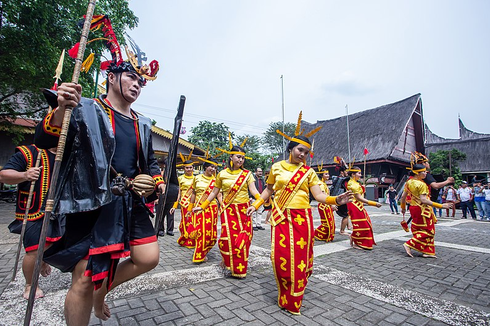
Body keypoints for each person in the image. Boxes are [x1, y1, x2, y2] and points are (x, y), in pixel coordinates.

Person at [34, 42, 163, 324]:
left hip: (129, 200)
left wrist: (157, 180)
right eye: (131, 76)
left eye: (142, 81)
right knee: (83, 278)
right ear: (112, 76)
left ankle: (100, 292)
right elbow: (43, 140)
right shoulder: (86, 108)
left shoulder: (143, 122)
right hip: (91, 201)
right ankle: (92, 294)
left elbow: (150, 161)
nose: (137, 85)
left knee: (148, 257)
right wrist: (61, 109)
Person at [247, 118, 352, 315]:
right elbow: (268, 190)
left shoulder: (309, 172)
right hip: (280, 217)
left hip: (302, 218)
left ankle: (294, 297)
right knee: (281, 258)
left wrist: (337, 200)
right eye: (299, 150)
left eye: (306, 152)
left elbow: (319, 195)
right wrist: (256, 204)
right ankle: (285, 291)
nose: (302, 155)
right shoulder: (277, 168)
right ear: (290, 148)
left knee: (300, 259)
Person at [0, 145, 62, 299]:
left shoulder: (69, 151)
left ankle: (43, 260)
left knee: (56, 243)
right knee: (34, 250)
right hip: (35, 210)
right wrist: (25, 175)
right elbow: (4, 175)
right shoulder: (29, 152)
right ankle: (30, 285)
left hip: (61, 209)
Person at [194, 142, 259, 278]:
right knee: (226, 240)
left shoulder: (247, 174)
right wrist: (203, 206)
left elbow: (254, 191)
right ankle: (227, 260)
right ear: (231, 157)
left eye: (242, 158)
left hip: (243, 210)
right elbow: (214, 193)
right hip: (228, 210)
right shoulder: (222, 174)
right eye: (238, 157)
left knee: (242, 239)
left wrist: (260, 202)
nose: (240, 160)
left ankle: (239, 268)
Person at [400, 163, 452, 258]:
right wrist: (441, 206)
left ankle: (428, 251)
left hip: (413, 208)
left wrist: (403, 207)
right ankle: (409, 244)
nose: (425, 173)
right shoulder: (421, 184)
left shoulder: (409, 182)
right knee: (429, 230)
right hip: (422, 209)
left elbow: (403, 198)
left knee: (418, 229)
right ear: (417, 173)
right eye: (423, 172)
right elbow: (424, 200)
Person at [188, 158, 220, 263]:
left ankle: (205, 250)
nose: (213, 169)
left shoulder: (216, 180)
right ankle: (199, 254)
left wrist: (223, 207)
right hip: (199, 209)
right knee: (201, 232)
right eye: (211, 166)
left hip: (212, 209)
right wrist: (190, 208)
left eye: (215, 167)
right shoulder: (197, 178)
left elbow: (218, 195)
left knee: (211, 234)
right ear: (205, 166)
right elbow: (193, 193)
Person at [344, 165, 382, 250]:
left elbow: (360, 196)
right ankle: (357, 241)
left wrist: (363, 189)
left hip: (358, 205)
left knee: (365, 223)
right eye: (359, 173)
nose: (360, 175)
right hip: (354, 205)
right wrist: (374, 204)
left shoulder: (356, 183)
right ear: (353, 174)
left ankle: (355, 238)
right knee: (362, 224)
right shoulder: (353, 184)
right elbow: (359, 198)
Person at [174, 159, 197, 248]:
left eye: (190, 167)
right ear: (184, 168)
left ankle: (193, 239)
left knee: (193, 222)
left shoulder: (196, 178)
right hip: (184, 204)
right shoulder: (180, 178)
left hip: (194, 204)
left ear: (193, 168)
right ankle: (185, 239)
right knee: (185, 222)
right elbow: (178, 192)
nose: (189, 169)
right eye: (187, 168)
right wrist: (175, 205)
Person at [314, 167, 336, 242]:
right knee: (327, 222)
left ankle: (323, 236)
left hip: (326, 204)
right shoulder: (320, 184)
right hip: (323, 205)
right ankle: (315, 234)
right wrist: (331, 204)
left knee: (328, 222)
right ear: (321, 175)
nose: (328, 175)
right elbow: (324, 195)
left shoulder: (323, 183)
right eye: (326, 174)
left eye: (328, 174)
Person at [157, 159, 175, 236]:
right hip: (162, 195)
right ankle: (160, 229)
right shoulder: (161, 174)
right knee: (161, 213)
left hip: (171, 194)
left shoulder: (173, 175)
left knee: (171, 213)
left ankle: (170, 229)